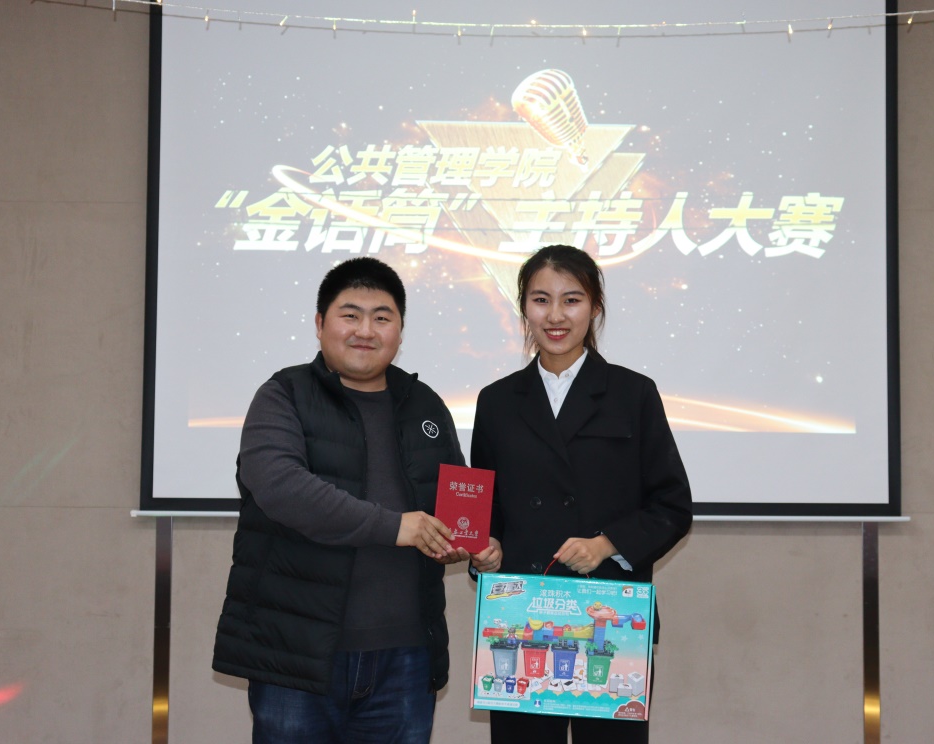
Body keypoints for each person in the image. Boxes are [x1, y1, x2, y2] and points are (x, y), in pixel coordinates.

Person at [212, 257, 467, 744]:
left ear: (400, 330)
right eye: (350, 315)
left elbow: (453, 503)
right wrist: (397, 527)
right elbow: (282, 487)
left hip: (407, 657)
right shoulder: (283, 394)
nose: (365, 330)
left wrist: (472, 542)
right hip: (296, 654)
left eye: (382, 317)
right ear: (320, 324)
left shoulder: (426, 404)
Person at [470, 245, 693, 744]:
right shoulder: (497, 401)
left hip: (608, 622)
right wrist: (486, 547)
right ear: (524, 308)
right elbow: (489, 509)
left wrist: (606, 544)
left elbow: (672, 505)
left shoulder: (633, 393)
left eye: (571, 300)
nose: (555, 316)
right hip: (522, 620)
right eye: (540, 300)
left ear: (594, 307)